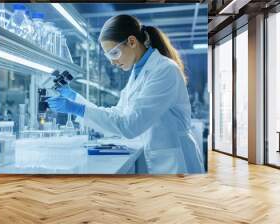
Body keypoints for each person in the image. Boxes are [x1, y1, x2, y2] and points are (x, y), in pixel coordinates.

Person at [47, 15, 205, 174]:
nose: (112, 62)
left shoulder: (164, 70)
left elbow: (130, 125)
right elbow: (119, 114)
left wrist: (78, 109)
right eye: (109, 56)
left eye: (114, 53)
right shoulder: (138, 72)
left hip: (175, 162)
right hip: (158, 158)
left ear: (132, 42)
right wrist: (75, 98)